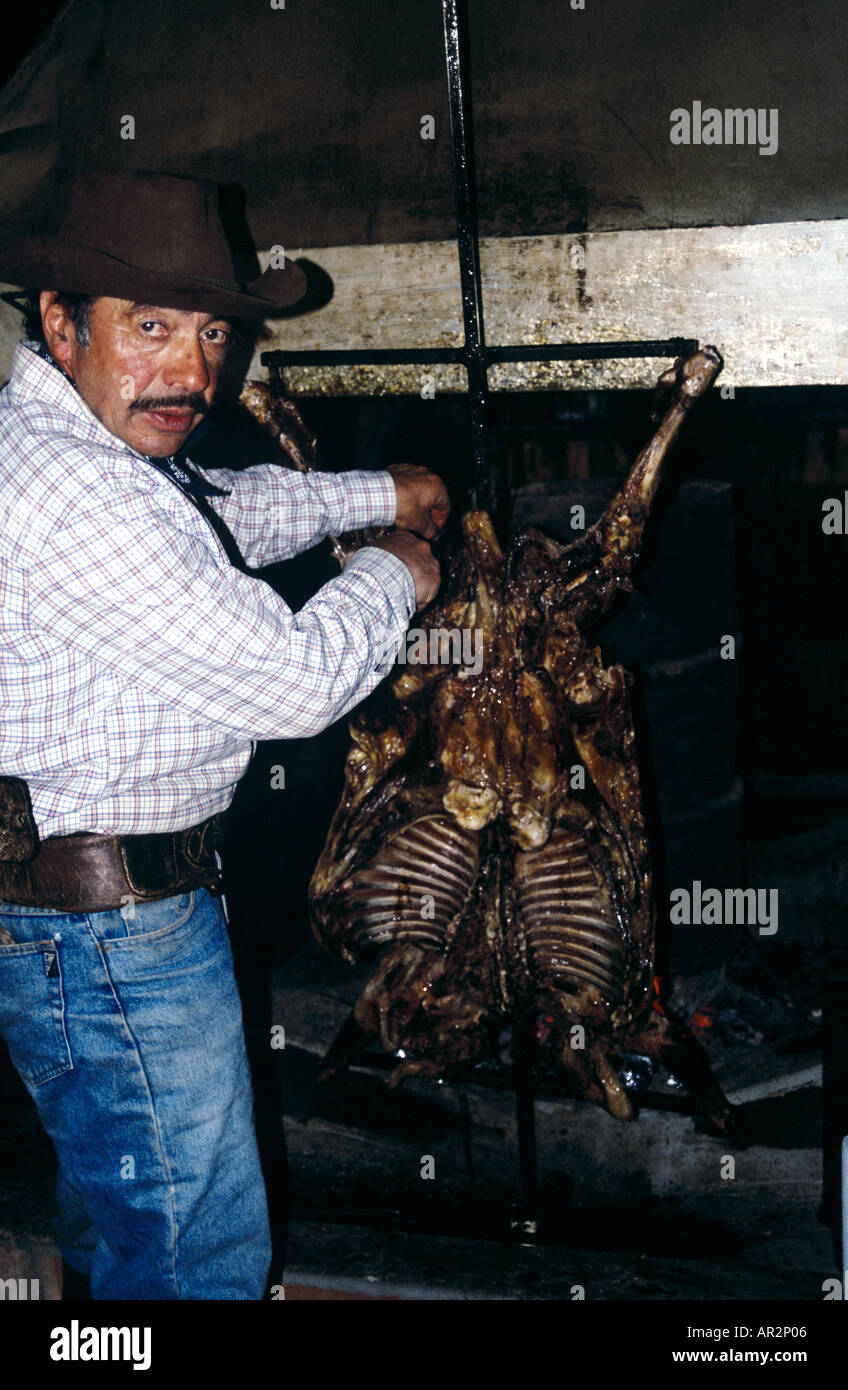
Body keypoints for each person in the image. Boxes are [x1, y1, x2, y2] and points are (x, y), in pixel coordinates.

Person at [0, 168, 450, 1300]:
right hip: (118, 939)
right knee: (199, 1262)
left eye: (211, 334)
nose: (192, 372)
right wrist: (396, 573)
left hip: (74, 926)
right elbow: (294, 681)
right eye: (150, 327)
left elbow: (219, 511)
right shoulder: (77, 492)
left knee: (118, 1232)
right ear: (59, 319)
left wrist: (376, 493)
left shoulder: (80, 451)